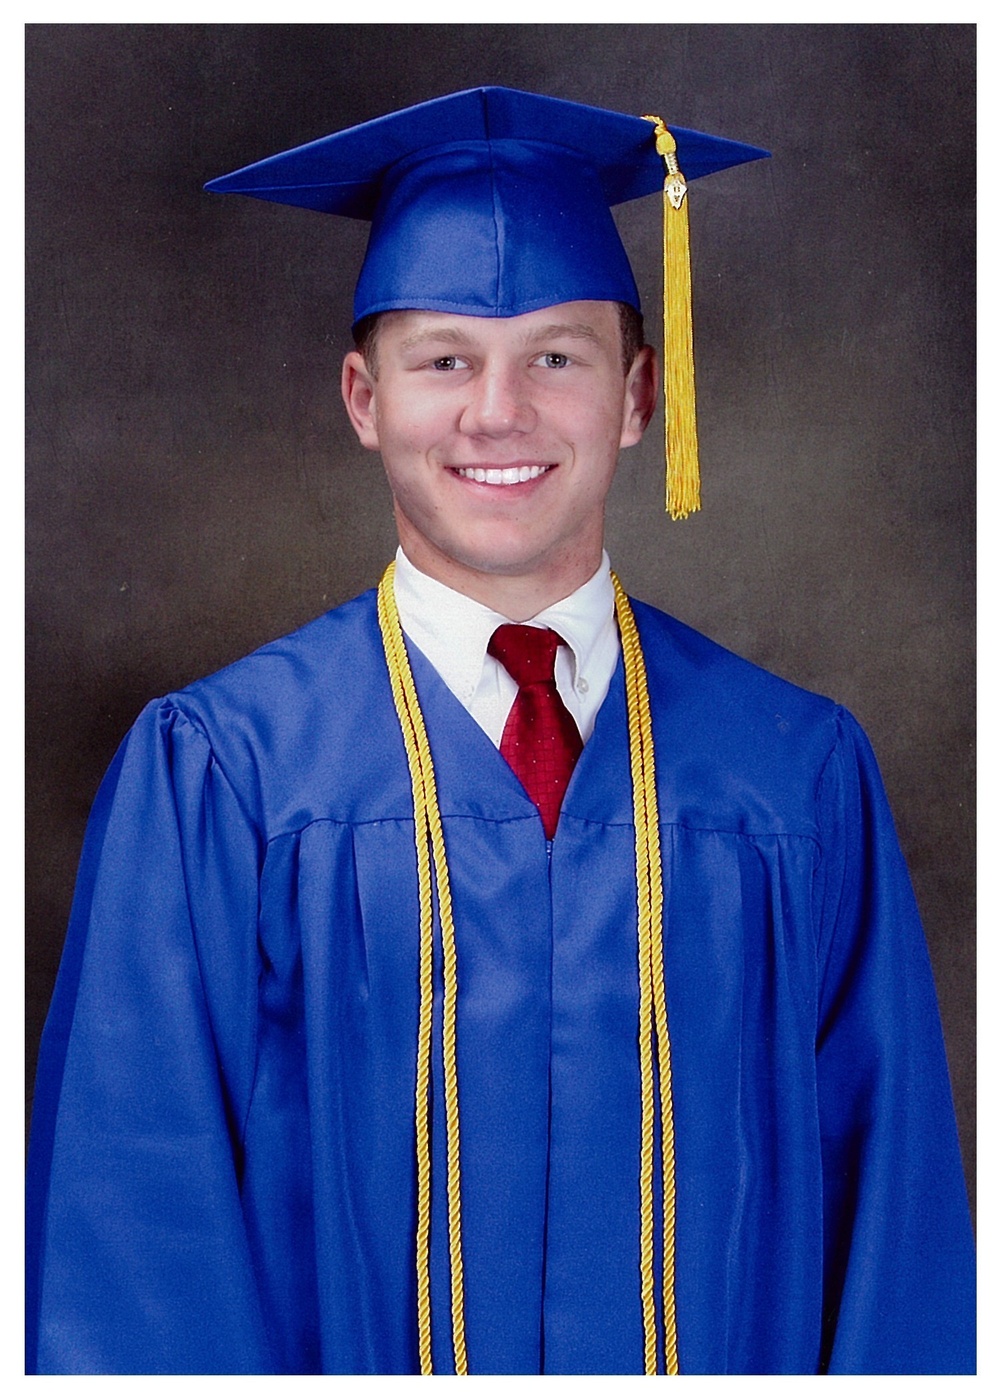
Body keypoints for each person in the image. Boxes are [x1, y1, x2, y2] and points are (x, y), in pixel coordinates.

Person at [26, 87, 975, 1376]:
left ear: (639, 395)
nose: (498, 413)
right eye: (445, 360)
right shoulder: (225, 773)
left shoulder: (792, 777)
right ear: (364, 398)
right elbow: (130, 1243)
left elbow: (901, 1244)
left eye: (557, 358)